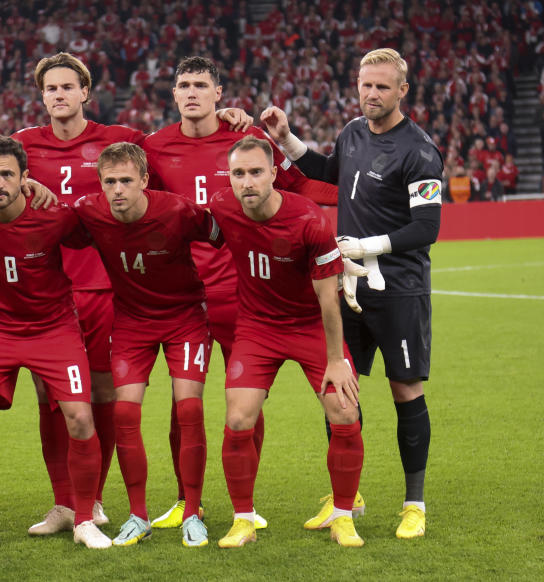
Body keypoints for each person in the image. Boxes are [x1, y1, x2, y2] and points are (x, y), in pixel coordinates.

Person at [11, 52, 251, 535]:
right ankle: (66, 504)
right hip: (47, 290)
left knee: (105, 398)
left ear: (85, 92)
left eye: (67, 87)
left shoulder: (123, 141)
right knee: (50, 400)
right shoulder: (21, 146)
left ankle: (96, 501)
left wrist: (229, 120)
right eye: (49, 88)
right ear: (41, 96)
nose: (58, 95)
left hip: (108, 288)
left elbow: (175, 146)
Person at [142, 55, 338, 530]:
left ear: (219, 95)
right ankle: (188, 501)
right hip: (181, 293)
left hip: (239, 294)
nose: (191, 92)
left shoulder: (244, 143)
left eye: (200, 85)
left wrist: (356, 200)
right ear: (173, 94)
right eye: (183, 84)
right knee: (182, 402)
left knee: (245, 400)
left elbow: (301, 186)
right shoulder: (153, 146)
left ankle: (244, 507)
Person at [262, 47, 442, 539]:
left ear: (403, 91)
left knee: (405, 390)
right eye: (366, 85)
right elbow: (328, 174)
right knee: (339, 392)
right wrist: (287, 140)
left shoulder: (421, 150)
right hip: (349, 287)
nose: (371, 94)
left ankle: (414, 503)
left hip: (400, 290)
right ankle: (349, 497)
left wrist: (365, 245)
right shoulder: (352, 133)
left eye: (382, 86)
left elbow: (427, 227)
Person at [0, 135, 110, 552]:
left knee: (80, 419)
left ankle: (85, 519)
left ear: (25, 179)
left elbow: (99, 233)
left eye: (7, 175)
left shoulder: (54, 215)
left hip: (54, 328)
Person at [207, 136, 365, 549]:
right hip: (258, 328)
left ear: (274, 174)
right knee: (239, 417)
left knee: (344, 411)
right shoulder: (222, 206)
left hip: (311, 325)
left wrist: (336, 361)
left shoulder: (309, 221)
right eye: (238, 173)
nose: (247, 182)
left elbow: (328, 299)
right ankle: (243, 519)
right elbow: (198, 230)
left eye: (256, 172)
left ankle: (344, 516)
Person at [74, 142, 219, 548]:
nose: (117, 190)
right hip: (132, 322)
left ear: (144, 180)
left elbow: (225, 234)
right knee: (123, 412)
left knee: (189, 407)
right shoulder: (89, 211)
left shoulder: (177, 210)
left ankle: (192, 512)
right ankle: (138, 515)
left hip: (185, 318)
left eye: (125, 181)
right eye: (109, 182)